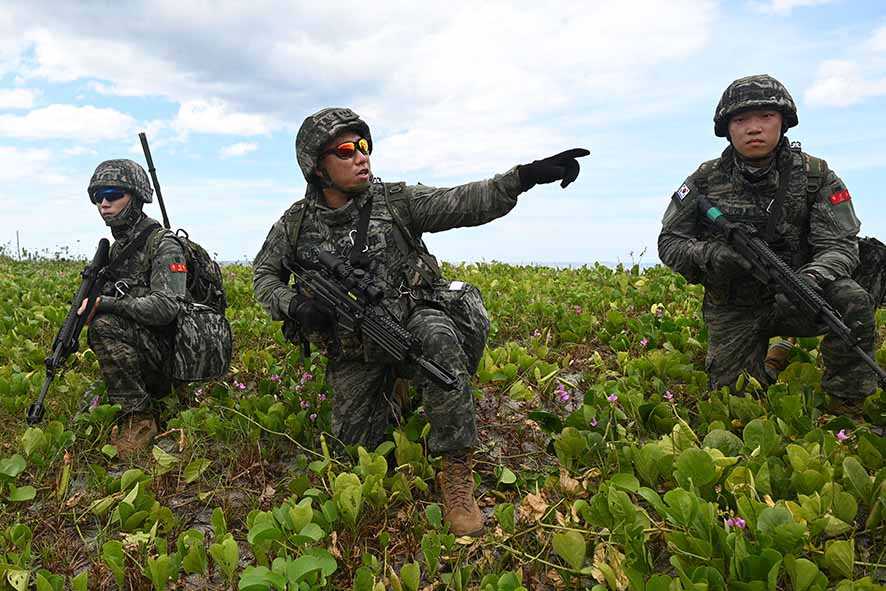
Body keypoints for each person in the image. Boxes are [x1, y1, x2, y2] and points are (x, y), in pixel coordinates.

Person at [254, 107, 588, 536]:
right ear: (317, 167)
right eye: (346, 150)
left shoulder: (395, 201)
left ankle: (456, 471)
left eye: (364, 146)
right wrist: (295, 306)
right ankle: (394, 390)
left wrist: (522, 178)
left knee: (437, 337)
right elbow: (264, 275)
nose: (361, 157)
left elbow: (462, 202)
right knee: (355, 452)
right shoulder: (296, 223)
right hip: (354, 348)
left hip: (411, 321)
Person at [658, 74, 877, 415]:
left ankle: (846, 405)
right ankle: (776, 355)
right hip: (736, 303)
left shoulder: (816, 175)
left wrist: (811, 279)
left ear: (783, 122)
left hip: (804, 293)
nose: (754, 128)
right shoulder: (703, 181)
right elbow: (670, 242)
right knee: (735, 403)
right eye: (741, 119)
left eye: (766, 117)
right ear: (727, 128)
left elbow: (841, 245)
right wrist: (714, 255)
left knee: (852, 299)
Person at [79, 159, 188, 458]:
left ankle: (139, 417)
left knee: (104, 326)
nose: (104, 204)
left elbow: (166, 307)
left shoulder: (163, 244)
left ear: (137, 197)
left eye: (113, 195)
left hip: (175, 354)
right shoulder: (117, 250)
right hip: (150, 346)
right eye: (98, 197)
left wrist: (107, 303)